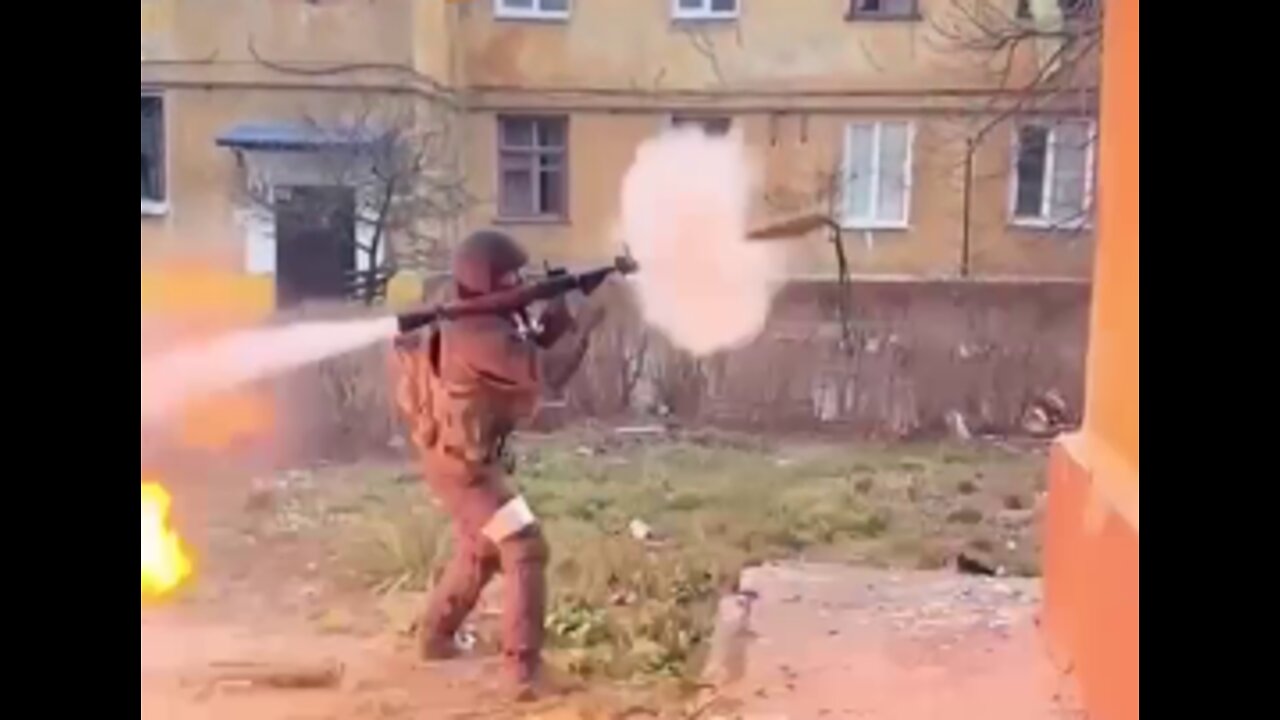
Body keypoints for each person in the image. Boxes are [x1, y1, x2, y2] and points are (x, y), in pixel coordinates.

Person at [392, 229, 599, 701]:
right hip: (464, 470)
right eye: (510, 278)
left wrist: (558, 306)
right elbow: (547, 372)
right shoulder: (478, 334)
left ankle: (436, 637)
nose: (518, 284)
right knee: (524, 545)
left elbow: (532, 348)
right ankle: (522, 673)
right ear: (484, 282)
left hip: (459, 460)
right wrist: (584, 320)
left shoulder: (477, 317)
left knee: (481, 549)